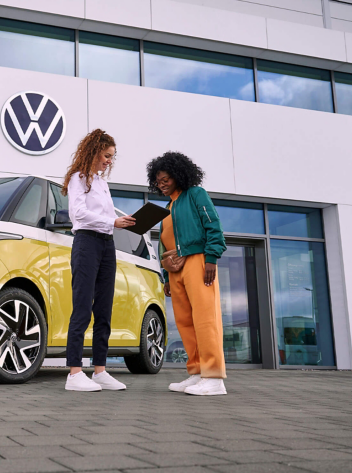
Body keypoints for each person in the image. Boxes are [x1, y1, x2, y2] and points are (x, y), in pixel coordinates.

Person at [147, 151, 228, 396]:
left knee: (205, 319)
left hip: (197, 261)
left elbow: (213, 225)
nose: (162, 185)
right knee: (184, 322)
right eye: (158, 181)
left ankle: (214, 378)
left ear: (179, 175)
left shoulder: (195, 194)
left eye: (166, 179)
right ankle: (196, 373)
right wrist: (165, 273)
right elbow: (164, 243)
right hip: (175, 270)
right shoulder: (168, 206)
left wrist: (211, 258)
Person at [61, 129, 135, 392]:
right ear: (93, 151)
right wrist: (112, 221)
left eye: (112, 157)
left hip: (107, 245)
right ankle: (74, 373)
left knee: (104, 309)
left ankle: (100, 370)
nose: (109, 161)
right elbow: (78, 214)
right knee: (82, 306)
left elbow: (107, 217)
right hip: (86, 243)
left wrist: (122, 223)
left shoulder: (102, 183)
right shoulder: (77, 179)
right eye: (106, 155)